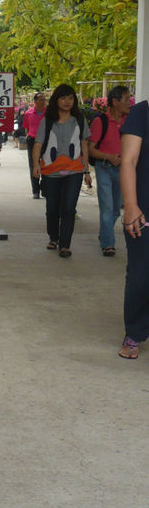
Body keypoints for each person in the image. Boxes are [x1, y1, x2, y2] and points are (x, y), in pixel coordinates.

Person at [33, 84, 91, 257]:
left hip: (74, 171)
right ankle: (53, 237)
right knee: (52, 208)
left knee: (68, 207)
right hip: (51, 172)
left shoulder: (79, 120)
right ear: (56, 100)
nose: (67, 102)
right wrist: (36, 164)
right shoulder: (48, 121)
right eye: (63, 98)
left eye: (71, 98)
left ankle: (65, 245)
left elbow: (84, 146)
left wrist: (86, 171)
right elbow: (38, 144)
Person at [118, 98, 149, 358]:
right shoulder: (141, 113)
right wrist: (130, 205)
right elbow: (128, 161)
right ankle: (135, 332)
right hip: (143, 211)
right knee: (141, 275)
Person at [88, 85, 132, 257]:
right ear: (114, 102)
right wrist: (108, 156)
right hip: (104, 168)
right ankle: (108, 244)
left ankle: (104, 232)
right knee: (106, 207)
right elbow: (91, 149)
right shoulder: (101, 122)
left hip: (124, 170)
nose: (130, 102)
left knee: (115, 209)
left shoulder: (131, 121)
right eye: (127, 99)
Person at [23, 92, 47, 198]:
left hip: (46, 141)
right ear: (35, 101)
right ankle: (35, 190)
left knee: (46, 164)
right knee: (33, 164)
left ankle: (45, 188)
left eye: (44, 99)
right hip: (33, 140)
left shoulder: (48, 113)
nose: (43, 101)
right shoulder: (28, 113)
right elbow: (27, 127)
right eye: (40, 99)